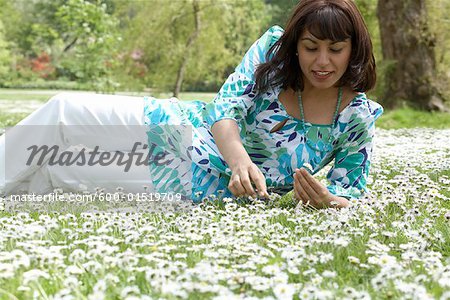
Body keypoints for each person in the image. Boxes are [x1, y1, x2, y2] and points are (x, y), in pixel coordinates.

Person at [0, 0, 383, 208]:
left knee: (65, 175)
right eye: (310, 48)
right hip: (182, 130)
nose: (322, 62)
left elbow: (350, 187)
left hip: (200, 186)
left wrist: (328, 200)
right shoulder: (272, 53)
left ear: (353, 51)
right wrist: (240, 161)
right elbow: (225, 108)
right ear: (296, 46)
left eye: (335, 50)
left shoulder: (357, 116)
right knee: (65, 110)